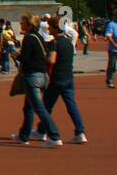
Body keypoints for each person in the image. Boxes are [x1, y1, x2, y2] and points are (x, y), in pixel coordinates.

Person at [12, 14, 61, 146]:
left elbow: (26, 58)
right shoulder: (38, 37)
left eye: (22, 23)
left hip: (32, 76)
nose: (21, 25)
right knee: (28, 107)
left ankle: (55, 136)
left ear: (29, 25)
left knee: (39, 108)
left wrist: (16, 55)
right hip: (42, 75)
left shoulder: (28, 38)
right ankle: (23, 136)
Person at [37, 16, 86, 144]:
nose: (48, 29)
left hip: (56, 79)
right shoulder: (68, 42)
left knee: (46, 106)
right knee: (71, 105)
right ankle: (80, 132)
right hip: (68, 77)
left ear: (54, 28)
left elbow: (52, 60)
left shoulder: (55, 42)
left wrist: (43, 60)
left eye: (50, 27)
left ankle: (43, 131)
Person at [105, 8, 117, 89]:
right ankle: (109, 81)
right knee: (112, 66)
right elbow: (108, 36)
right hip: (113, 49)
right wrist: (115, 45)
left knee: (114, 68)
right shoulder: (111, 24)